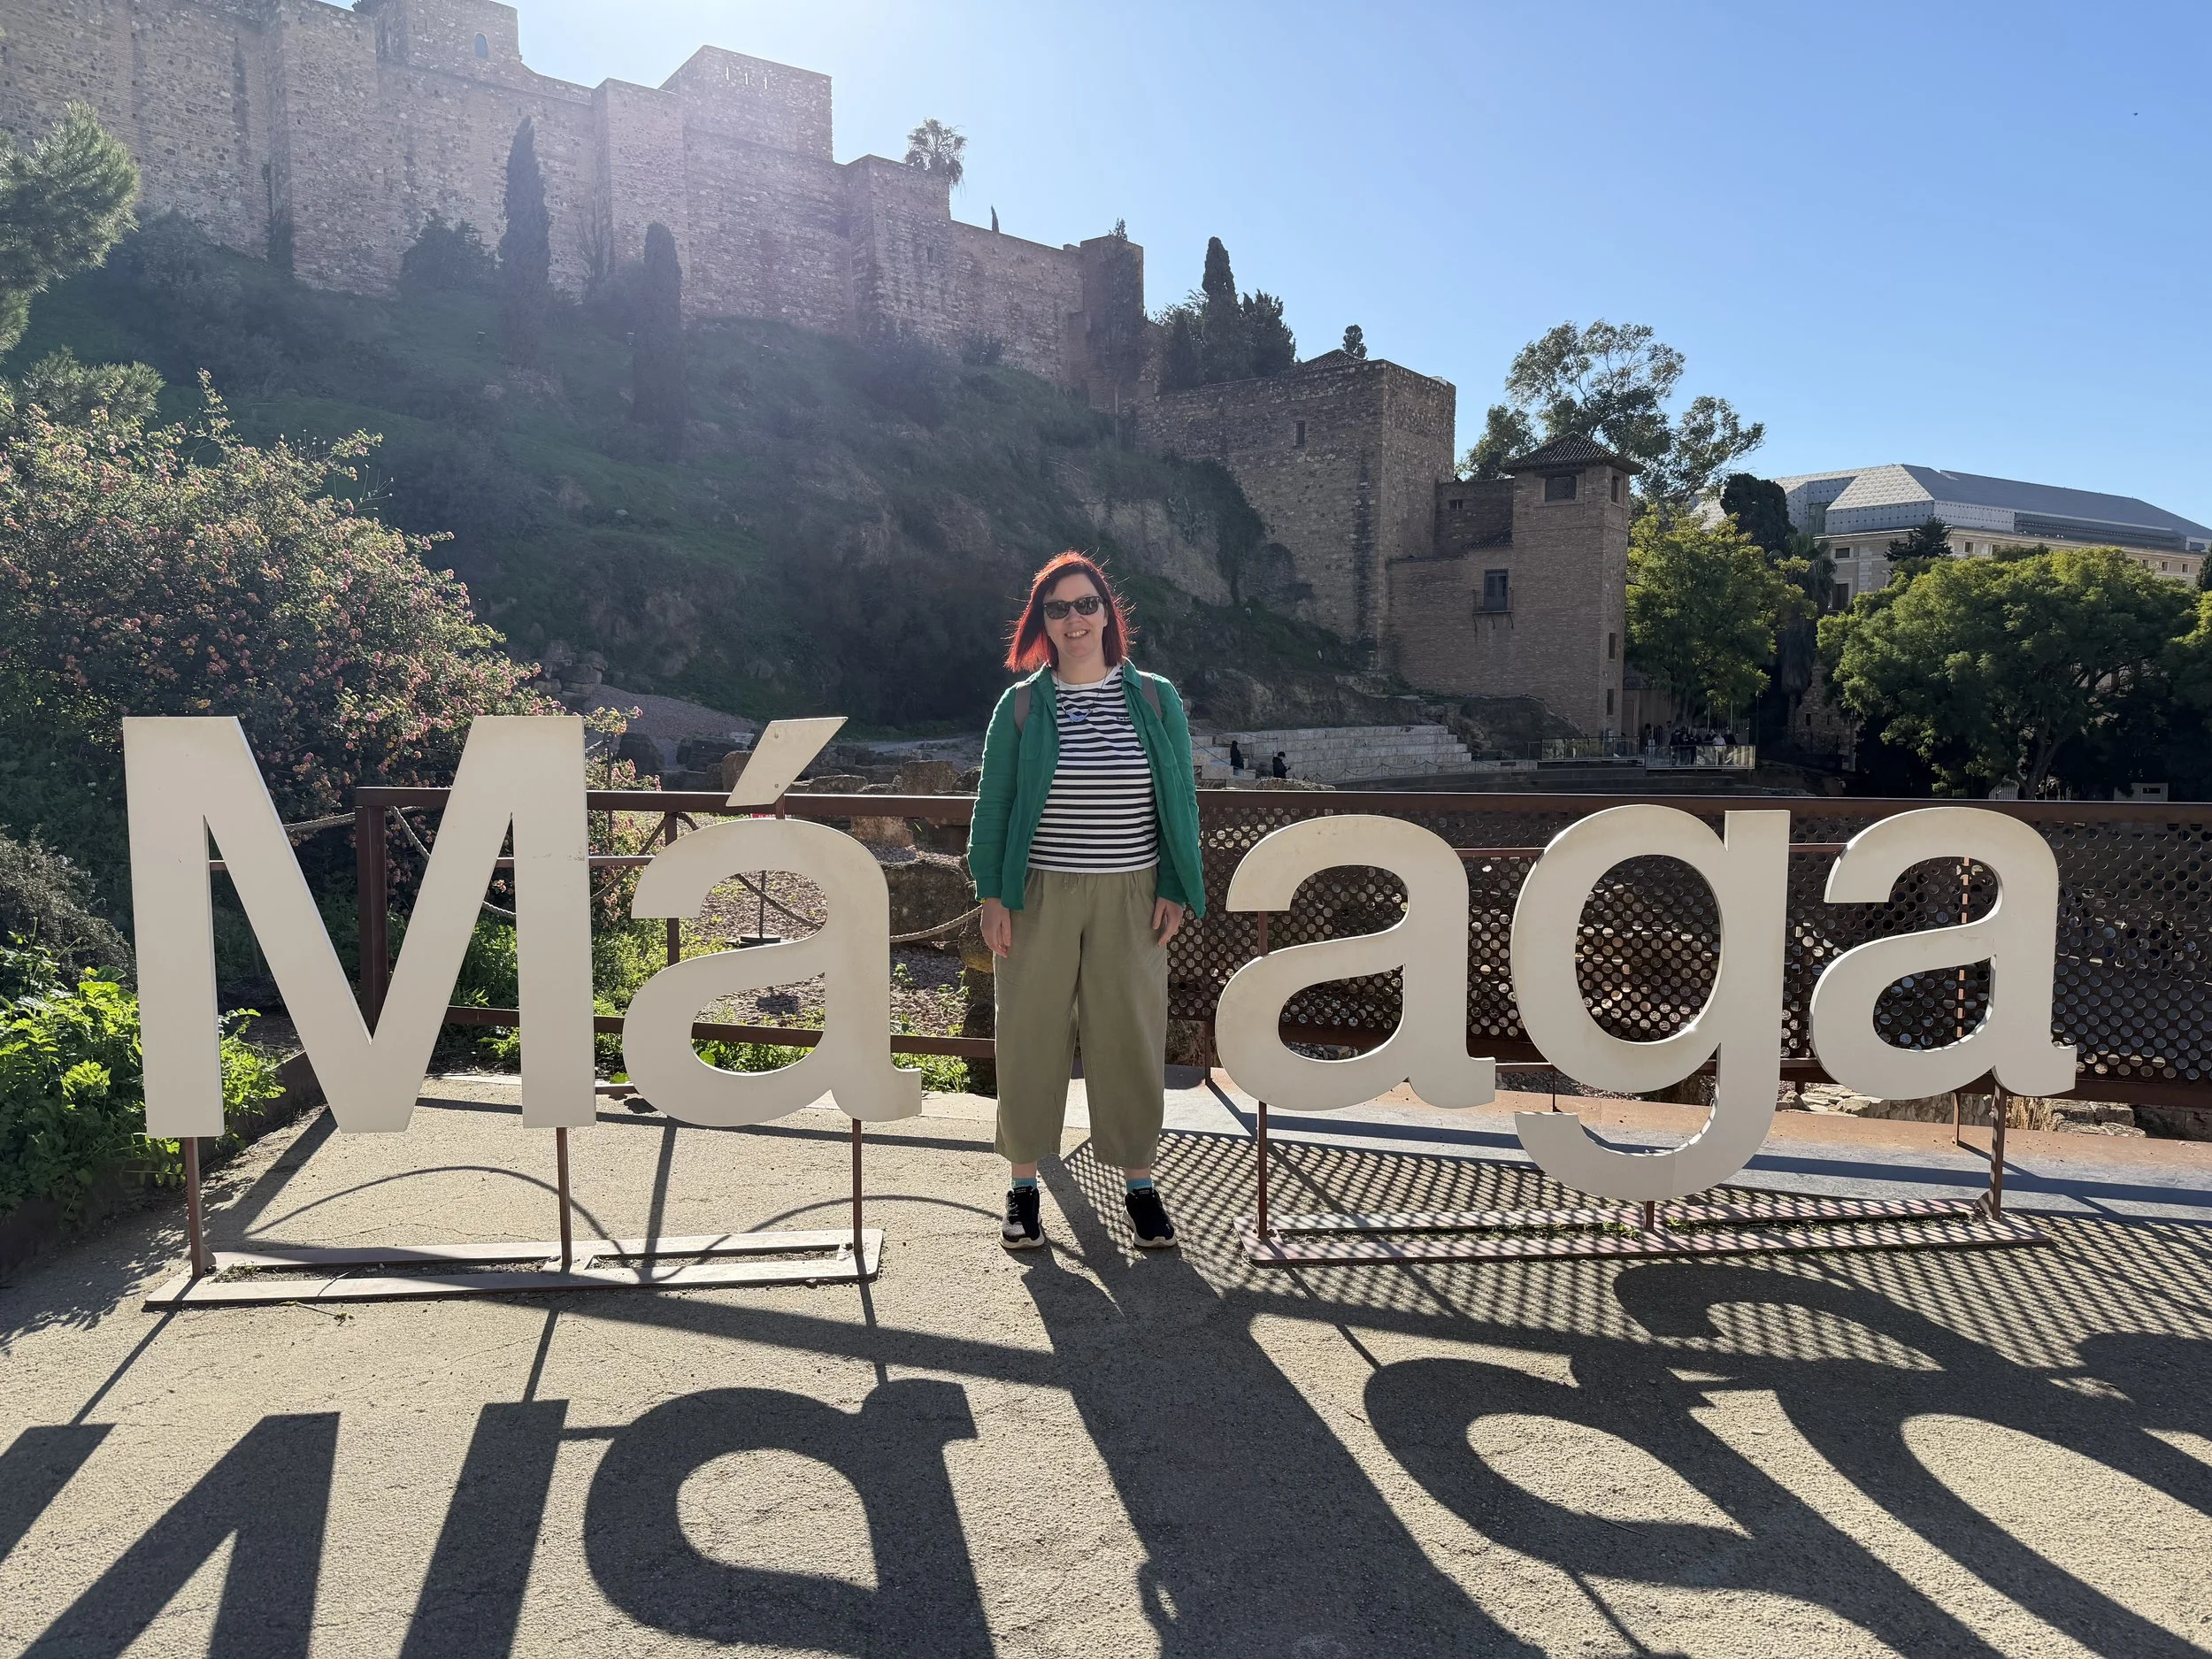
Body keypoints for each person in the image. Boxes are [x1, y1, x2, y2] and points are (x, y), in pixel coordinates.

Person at [968, 552, 1206, 1251]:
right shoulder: (1020, 706)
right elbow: (994, 805)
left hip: (1132, 892)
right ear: (1042, 623)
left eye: (1085, 604)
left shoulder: (1156, 698)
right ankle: (1022, 1187)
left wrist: (1174, 886)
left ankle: (1140, 1186)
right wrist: (991, 894)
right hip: (1037, 892)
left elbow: (1181, 801)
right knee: (1028, 1035)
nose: (1073, 618)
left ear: (1108, 612)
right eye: (1058, 608)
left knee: (1130, 1035)